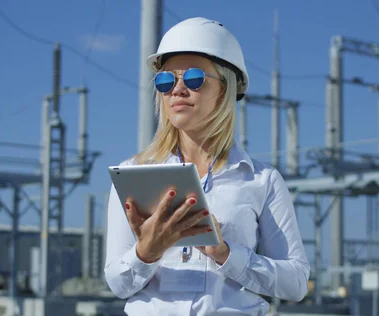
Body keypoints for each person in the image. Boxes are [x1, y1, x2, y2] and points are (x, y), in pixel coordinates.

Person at [104, 17, 310, 315]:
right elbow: (118, 284)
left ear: (225, 89)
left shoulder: (262, 181)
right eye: (165, 81)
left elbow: (297, 282)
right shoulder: (131, 174)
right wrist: (145, 253)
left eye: (193, 79)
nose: (177, 90)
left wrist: (226, 254)